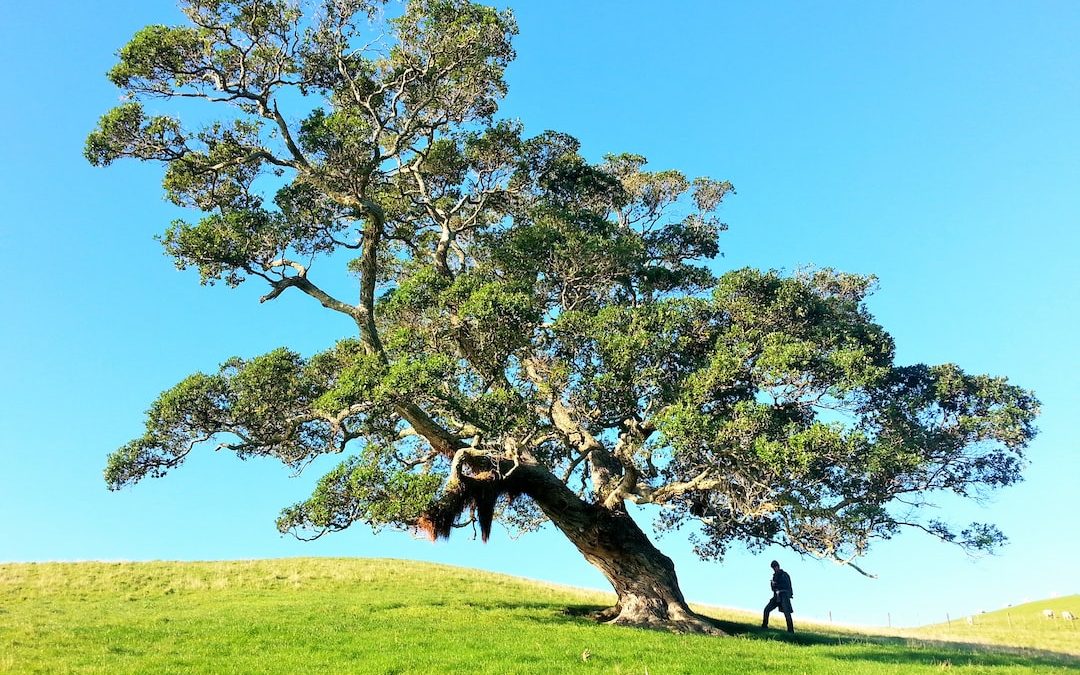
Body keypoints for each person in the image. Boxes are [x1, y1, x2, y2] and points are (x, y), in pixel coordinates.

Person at [762, 560, 794, 633]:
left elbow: (787, 585)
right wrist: (773, 585)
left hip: (784, 596)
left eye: (775, 567)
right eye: (773, 568)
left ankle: (790, 631)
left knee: (787, 613)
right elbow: (773, 589)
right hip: (776, 596)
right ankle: (764, 626)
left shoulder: (784, 575)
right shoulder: (774, 576)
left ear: (778, 566)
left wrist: (777, 585)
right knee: (766, 609)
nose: (774, 569)